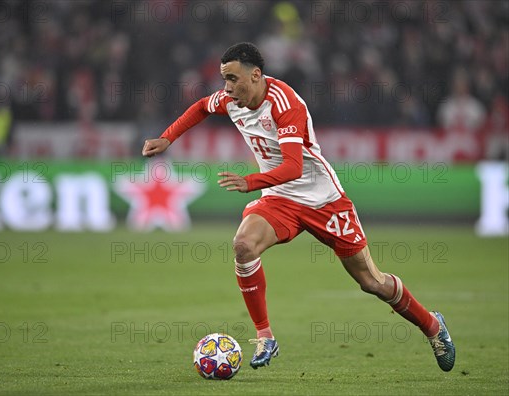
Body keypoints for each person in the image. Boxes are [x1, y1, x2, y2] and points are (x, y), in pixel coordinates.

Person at [142, 42, 455, 372]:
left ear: (256, 74)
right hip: (280, 198)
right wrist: (168, 138)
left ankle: (432, 326)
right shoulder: (232, 101)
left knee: (371, 282)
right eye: (224, 80)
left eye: (233, 79)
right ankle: (265, 336)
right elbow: (202, 107)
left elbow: (293, 167)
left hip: (324, 200)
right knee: (244, 247)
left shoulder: (284, 103)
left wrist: (249, 182)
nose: (227, 88)